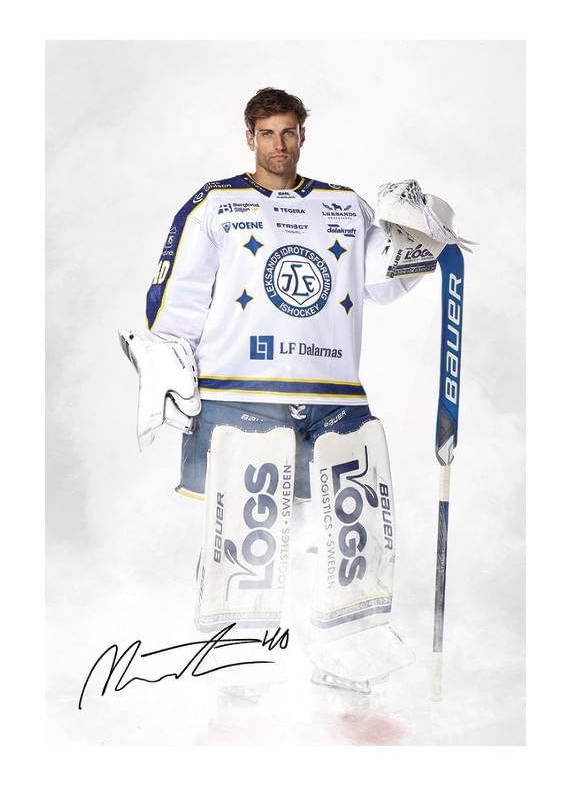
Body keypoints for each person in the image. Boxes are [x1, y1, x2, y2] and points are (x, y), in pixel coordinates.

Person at [124, 87, 459, 698]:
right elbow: (180, 295)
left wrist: (423, 231)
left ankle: (345, 654)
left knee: (340, 532)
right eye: (267, 132)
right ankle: (235, 660)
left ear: (303, 134)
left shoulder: (345, 206)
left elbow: (384, 281)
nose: (279, 144)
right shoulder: (216, 205)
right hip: (239, 393)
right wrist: (164, 355)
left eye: (289, 131)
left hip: (334, 397)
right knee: (247, 533)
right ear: (249, 136)